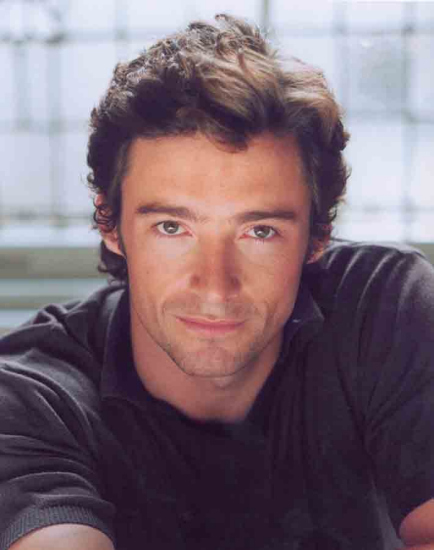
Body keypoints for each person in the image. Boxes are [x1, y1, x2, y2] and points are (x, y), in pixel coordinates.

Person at [0, 13, 433, 550]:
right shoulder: (30, 393)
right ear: (110, 224)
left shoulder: (383, 307)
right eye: (172, 227)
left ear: (318, 235)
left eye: (259, 231)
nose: (215, 287)